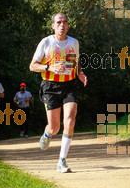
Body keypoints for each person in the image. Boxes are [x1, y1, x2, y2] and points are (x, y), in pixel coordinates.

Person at [29, 12, 87, 173]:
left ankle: (62, 161)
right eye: (59, 22)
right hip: (50, 87)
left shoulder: (74, 42)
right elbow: (32, 66)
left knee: (70, 119)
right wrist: (49, 67)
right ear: (53, 26)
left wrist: (80, 74)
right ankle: (47, 134)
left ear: (68, 25)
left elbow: (76, 61)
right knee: (54, 128)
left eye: (65, 22)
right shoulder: (46, 42)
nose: (62, 25)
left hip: (70, 85)